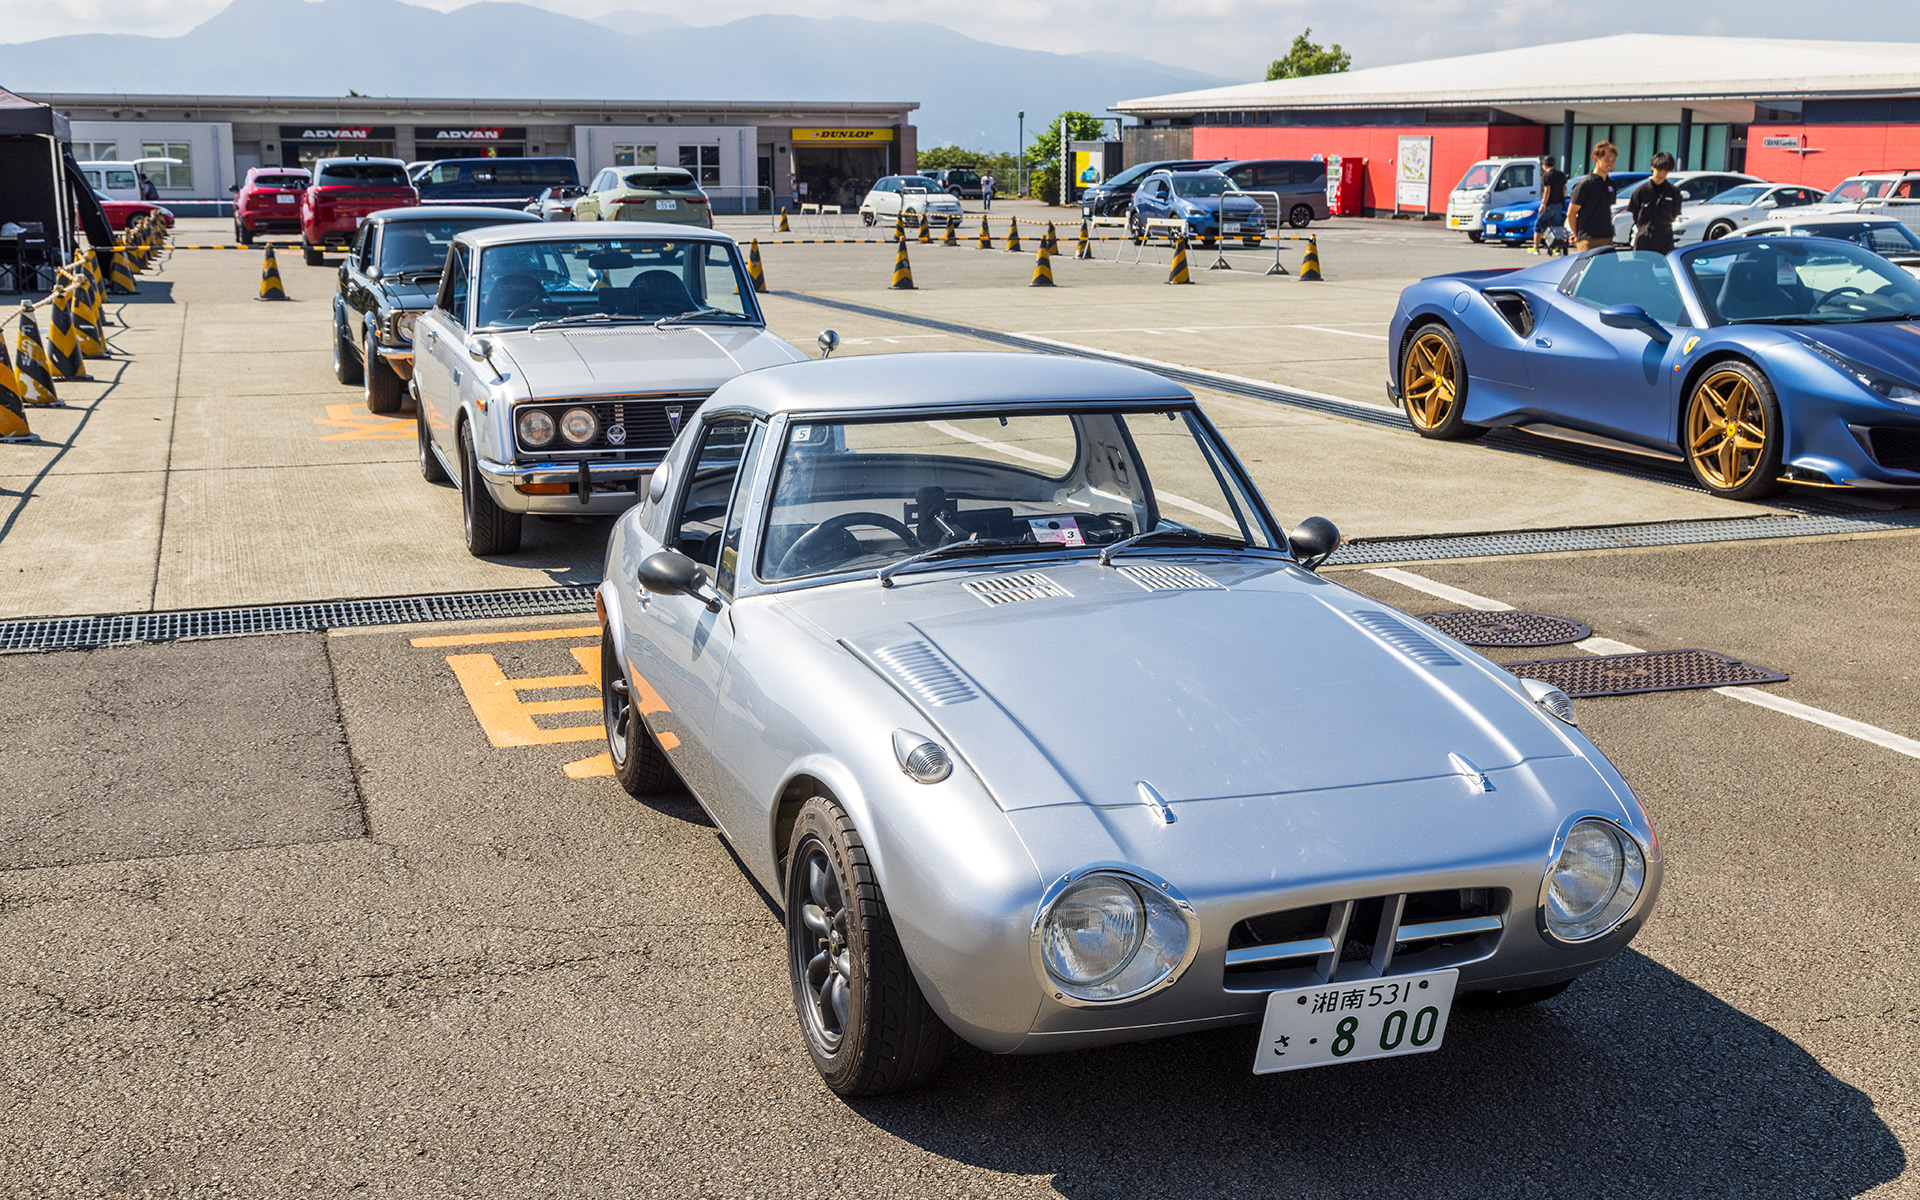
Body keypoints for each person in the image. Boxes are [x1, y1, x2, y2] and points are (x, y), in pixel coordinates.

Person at [1564, 141, 1618, 252]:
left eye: (1613, 160)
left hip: (1607, 238)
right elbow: (1571, 213)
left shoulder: (1611, 184)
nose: (1610, 163)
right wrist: (1577, 235)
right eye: (1607, 159)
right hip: (1588, 240)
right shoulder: (1585, 184)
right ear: (1596, 159)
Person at [1630, 151, 1684, 253]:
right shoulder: (1641, 191)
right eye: (1659, 170)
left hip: (1665, 240)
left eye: (1666, 170)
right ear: (1652, 167)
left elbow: (1675, 213)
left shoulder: (1674, 192)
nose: (1662, 174)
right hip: (1644, 239)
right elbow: (1635, 213)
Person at [1532, 154, 1567, 254]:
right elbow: (1564, 188)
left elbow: (1547, 190)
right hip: (1558, 205)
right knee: (1556, 227)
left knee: (1538, 225)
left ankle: (1536, 247)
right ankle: (1556, 248)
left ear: (1544, 164)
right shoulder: (1561, 174)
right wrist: (1562, 197)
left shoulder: (1547, 175)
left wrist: (1543, 204)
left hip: (1548, 205)